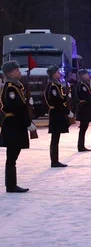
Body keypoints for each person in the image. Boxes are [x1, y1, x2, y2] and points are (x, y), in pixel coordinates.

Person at [3, 61, 37, 193]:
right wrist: (27, 122)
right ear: (10, 73)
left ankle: (11, 184)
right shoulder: (11, 88)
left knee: (13, 157)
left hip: (15, 124)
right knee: (12, 157)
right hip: (13, 125)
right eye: (16, 70)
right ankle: (11, 185)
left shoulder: (16, 87)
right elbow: (16, 108)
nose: (19, 72)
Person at [45, 66, 70, 167]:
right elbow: (56, 101)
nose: (59, 73)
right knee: (55, 138)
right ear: (53, 74)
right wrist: (66, 110)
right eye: (57, 72)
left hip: (57, 112)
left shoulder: (56, 85)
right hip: (56, 113)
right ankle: (54, 161)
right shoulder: (53, 86)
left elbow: (60, 99)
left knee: (56, 137)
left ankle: (55, 160)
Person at [75, 69, 91, 153]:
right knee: (83, 128)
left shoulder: (85, 84)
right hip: (84, 108)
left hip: (86, 107)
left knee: (84, 127)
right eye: (87, 74)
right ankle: (81, 146)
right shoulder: (82, 85)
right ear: (83, 75)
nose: (88, 75)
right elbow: (86, 96)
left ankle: (81, 145)